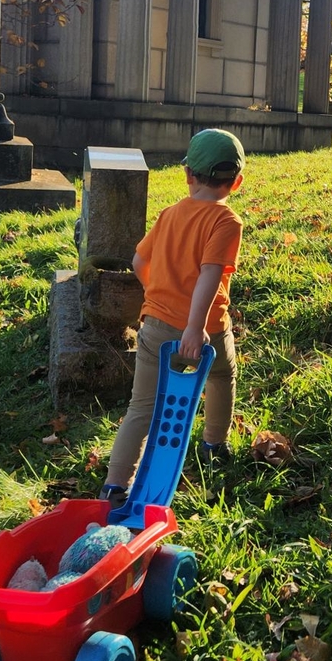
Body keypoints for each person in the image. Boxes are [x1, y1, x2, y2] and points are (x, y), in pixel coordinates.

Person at [99, 128, 245, 505]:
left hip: (156, 328)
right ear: (237, 182)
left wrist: (156, 295)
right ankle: (214, 444)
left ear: (188, 175)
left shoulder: (169, 214)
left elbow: (138, 260)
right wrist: (195, 329)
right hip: (207, 330)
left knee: (142, 407)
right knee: (222, 376)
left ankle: (115, 483)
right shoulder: (226, 221)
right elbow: (211, 272)